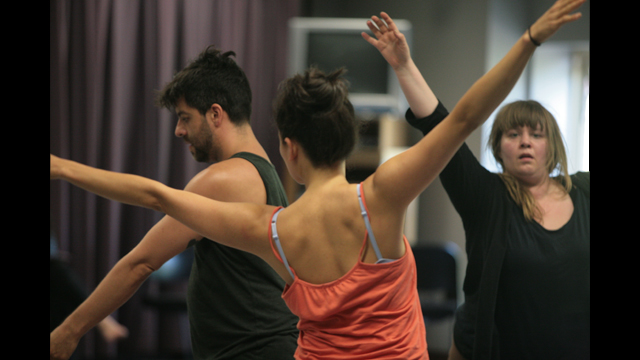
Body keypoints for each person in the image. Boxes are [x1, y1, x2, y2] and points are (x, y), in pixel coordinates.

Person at [50, 1, 584, 358]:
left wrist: (58, 166)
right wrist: (529, 39)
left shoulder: (273, 230)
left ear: (289, 146)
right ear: (346, 139)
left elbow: (150, 193)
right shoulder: (383, 197)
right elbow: (465, 117)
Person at [364, 2, 589, 359]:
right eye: (513, 134)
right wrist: (404, 66)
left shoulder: (585, 191)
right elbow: (442, 126)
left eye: (536, 133)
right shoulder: (486, 196)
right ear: (499, 148)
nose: (526, 141)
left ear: (553, 144)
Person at [50, 46, 299, 360]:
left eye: (185, 118)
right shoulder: (261, 170)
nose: (179, 131)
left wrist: (68, 332)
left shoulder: (224, 179)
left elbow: (140, 262)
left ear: (216, 114)